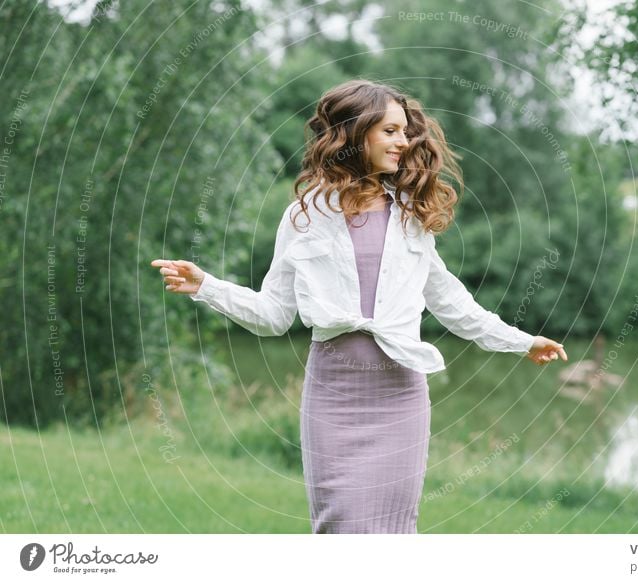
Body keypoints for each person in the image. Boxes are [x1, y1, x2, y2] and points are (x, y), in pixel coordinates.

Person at [151, 79, 567, 534]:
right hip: (333, 395)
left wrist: (522, 341)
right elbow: (273, 316)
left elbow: (452, 303)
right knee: (340, 528)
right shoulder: (304, 215)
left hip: (401, 395)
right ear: (356, 132)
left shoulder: (411, 216)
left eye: (405, 132)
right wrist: (205, 286)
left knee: (394, 531)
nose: (403, 142)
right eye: (390, 131)